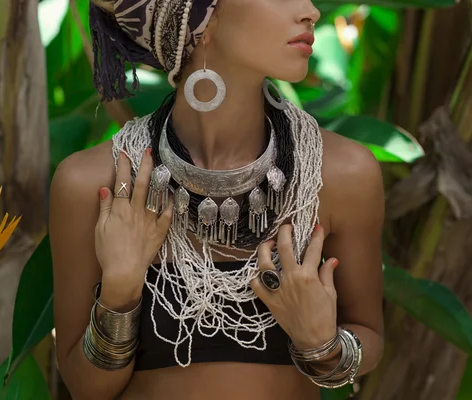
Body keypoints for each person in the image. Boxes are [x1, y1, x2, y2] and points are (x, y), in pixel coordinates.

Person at [49, 0, 385, 399]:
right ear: (201, 20)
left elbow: (371, 337)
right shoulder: (90, 185)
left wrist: (324, 346)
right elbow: (86, 387)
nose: (310, 10)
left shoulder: (341, 176)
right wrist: (120, 293)